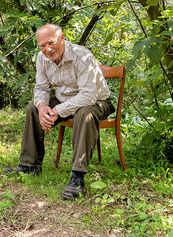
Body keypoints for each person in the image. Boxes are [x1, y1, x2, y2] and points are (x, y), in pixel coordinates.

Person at [6, 23, 114, 200]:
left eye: (51, 43)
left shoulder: (82, 56)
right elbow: (41, 88)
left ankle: (77, 177)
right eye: (42, 46)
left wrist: (57, 110)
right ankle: (29, 166)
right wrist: (42, 106)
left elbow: (88, 95)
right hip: (64, 100)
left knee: (84, 113)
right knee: (33, 108)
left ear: (62, 39)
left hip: (96, 101)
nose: (48, 49)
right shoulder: (42, 59)